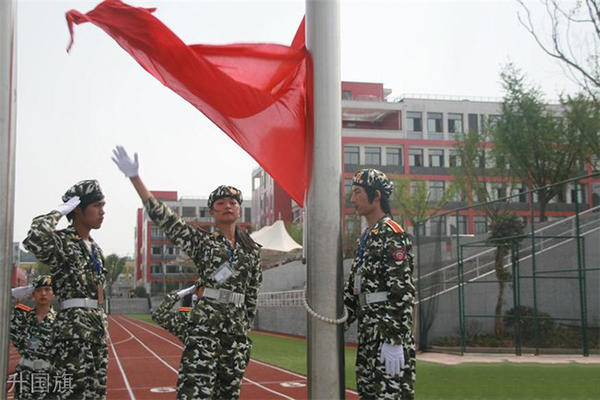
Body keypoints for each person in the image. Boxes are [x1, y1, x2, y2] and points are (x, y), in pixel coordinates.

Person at [112, 145, 262, 400]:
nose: (228, 205)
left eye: (233, 202)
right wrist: (135, 179)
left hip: (234, 335)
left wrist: (243, 330)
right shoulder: (202, 242)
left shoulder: (252, 250)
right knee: (195, 393)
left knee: (228, 394)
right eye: (221, 202)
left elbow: (252, 295)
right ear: (212, 211)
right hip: (205, 329)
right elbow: (167, 220)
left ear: (239, 210)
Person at [23, 180, 108, 400]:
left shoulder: (96, 249)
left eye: (103, 205)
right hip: (72, 332)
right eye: (97, 205)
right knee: (70, 394)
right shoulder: (61, 241)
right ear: (78, 209)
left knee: (96, 394)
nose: (102, 211)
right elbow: (34, 238)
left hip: (96, 329)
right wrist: (59, 212)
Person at [343, 169, 416, 399]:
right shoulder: (367, 237)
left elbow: (402, 292)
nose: (352, 199)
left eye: (357, 193)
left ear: (376, 196)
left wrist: (394, 340)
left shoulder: (392, 234)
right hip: (368, 335)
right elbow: (355, 289)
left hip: (387, 337)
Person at [10, 276, 56, 400]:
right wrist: (11, 294)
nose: (43, 293)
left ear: (53, 293)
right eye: (38, 290)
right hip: (26, 375)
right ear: (32, 294)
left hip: (49, 376)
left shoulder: (60, 321)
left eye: (47, 289)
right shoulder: (21, 317)